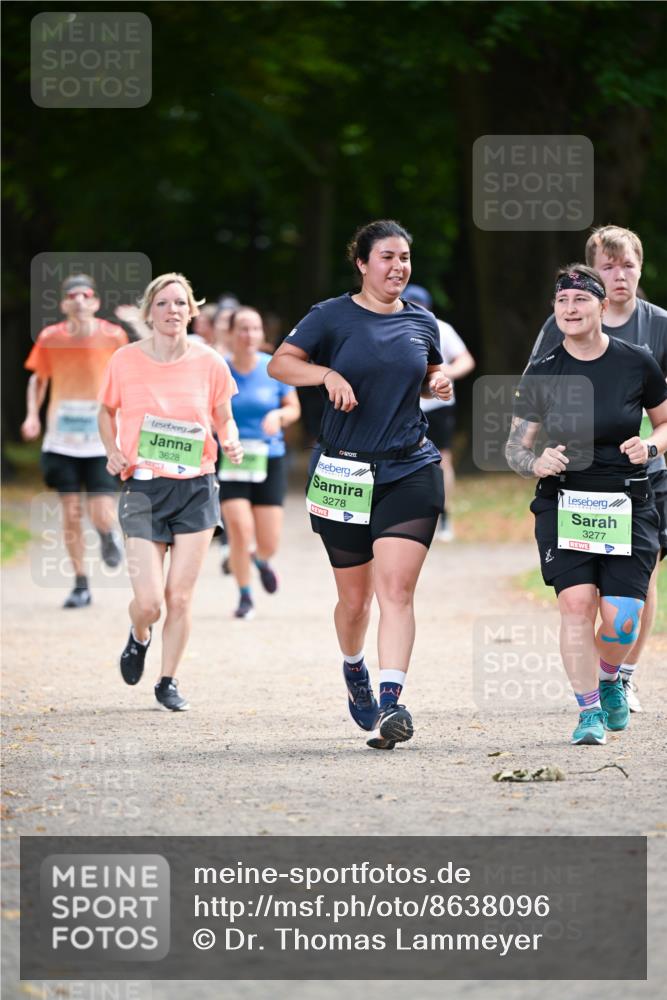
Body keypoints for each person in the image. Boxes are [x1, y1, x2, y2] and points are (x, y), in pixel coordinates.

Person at [268, 219, 452, 750]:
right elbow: (281, 364)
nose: (399, 267)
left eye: (405, 258)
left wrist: (435, 382)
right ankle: (355, 668)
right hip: (345, 472)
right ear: (362, 263)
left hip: (410, 467)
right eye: (388, 258)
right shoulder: (331, 316)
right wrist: (325, 375)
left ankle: (393, 703)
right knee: (355, 602)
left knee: (396, 589)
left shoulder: (422, 321)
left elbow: (426, 373)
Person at [507, 264, 667, 746]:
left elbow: (664, 424)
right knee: (576, 605)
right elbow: (515, 447)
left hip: (626, 500)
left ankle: (609, 675)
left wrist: (651, 447)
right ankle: (588, 712)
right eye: (561, 302)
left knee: (621, 621)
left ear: (602, 306)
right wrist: (536, 462)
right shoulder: (544, 368)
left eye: (580, 301)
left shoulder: (637, 361)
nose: (569, 310)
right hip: (565, 498)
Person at [98, 273, 243, 711]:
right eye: (163, 303)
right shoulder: (124, 360)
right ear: (150, 312)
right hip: (143, 488)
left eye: (180, 303)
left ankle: (168, 680)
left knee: (179, 596)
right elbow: (105, 412)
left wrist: (231, 438)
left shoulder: (211, 362)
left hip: (196, 488)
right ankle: (139, 634)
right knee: (149, 602)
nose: (172, 310)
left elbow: (224, 417)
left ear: (192, 311)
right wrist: (112, 450)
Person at [22, 273, 127, 608]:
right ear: (64, 304)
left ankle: (108, 534)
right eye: (72, 296)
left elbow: (128, 376)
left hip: (100, 439)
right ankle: (81, 583)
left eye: (85, 295)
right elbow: (38, 380)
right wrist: (32, 415)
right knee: (70, 513)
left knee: (100, 510)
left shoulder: (113, 335)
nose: (79, 300)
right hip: (61, 440)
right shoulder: (50, 337)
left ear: (95, 302)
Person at [219, 306, 301, 619]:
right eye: (242, 328)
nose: (249, 334)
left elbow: (293, 408)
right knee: (239, 529)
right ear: (230, 333)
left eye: (254, 328)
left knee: (268, 542)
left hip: (270, 459)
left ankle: (261, 560)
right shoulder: (220, 370)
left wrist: (279, 415)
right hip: (232, 459)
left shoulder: (274, 368)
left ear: (261, 333)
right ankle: (244, 595)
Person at [404, 284, 475, 541]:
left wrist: (444, 375)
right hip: (404, 407)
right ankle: (411, 516)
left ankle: (444, 517)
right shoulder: (392, 326)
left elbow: (466, 360)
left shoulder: (441, 328)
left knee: (442, 460)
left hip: (438, 405)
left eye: (419, 305)